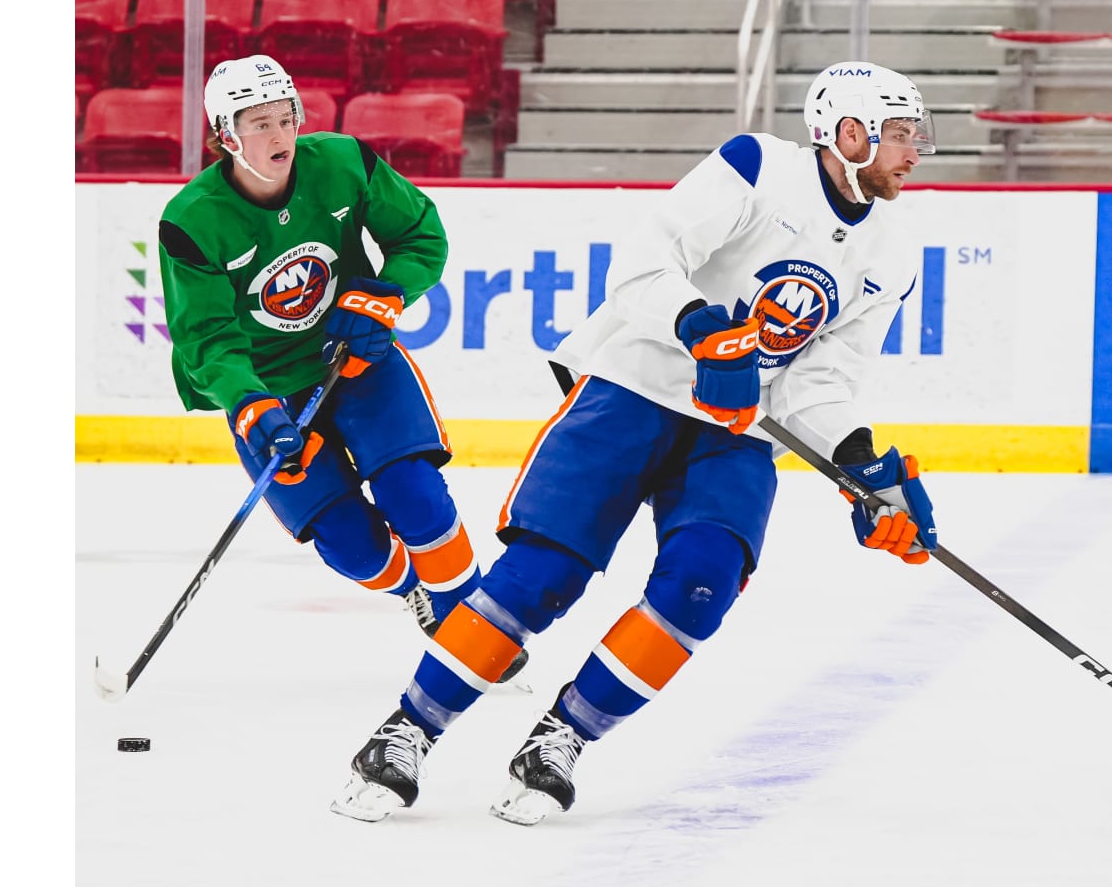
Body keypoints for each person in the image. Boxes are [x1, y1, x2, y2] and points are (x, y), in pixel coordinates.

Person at [330, 61, 942, 824]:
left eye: (915, 134)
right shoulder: (757, 168)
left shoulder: (893, 256)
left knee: (702, 585)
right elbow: (641, 265)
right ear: (849, 133)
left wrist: (863, 466)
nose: (914, 152)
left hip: (733, 431)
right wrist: (701, 329)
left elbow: (819, 383)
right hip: (631, 389)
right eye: (899, 134)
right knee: (541, 577)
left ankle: (561, 740)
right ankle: (407, 734)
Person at [159, 54, 523, 680]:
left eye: (286, 117)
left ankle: (473, 617)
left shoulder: (343, 163)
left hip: (356, 361)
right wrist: (250, 405)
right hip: (269, 390)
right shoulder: (191, 221)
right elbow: (207, 340)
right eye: (260, 124)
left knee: (415, 494)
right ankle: (414, 586)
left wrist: (381, 298)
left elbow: (420, 235)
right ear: (226, 135)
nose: (280, 135)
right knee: (352, 546)